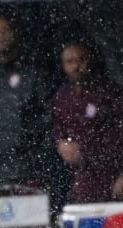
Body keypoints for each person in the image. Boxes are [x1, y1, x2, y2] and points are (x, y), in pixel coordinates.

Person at [0, 13, 70, 228]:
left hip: (30, 170)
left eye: (4, 30)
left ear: (17, 33)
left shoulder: (34, 73)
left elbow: (49, 119)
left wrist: (32, 152)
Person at [52, 40, 123, 203]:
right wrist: (60, 144)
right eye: (70, 62)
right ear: (63, 66)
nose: (76, 66)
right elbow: (57, 129)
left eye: (81, 60)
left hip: (111, 176)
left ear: (90, 60)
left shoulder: (110, 93)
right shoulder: (63, 96)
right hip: (80, 180)